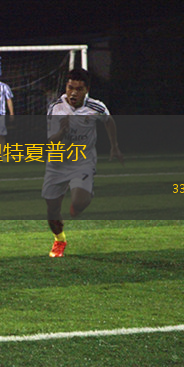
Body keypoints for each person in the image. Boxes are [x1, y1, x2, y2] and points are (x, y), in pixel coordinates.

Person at [42, 68, 123, 257]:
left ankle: (77, 204)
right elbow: (50, 141)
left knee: (80, 202)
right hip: (57, 162)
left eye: (78, 89)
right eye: (70, 87)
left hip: (82, 161)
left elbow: (109, 121)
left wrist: (114, 146)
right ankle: (59, 240)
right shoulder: (56, 107)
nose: (73, 93)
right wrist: (62, 132)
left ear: (87, 90)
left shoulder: (96, 107)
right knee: (52, 210)